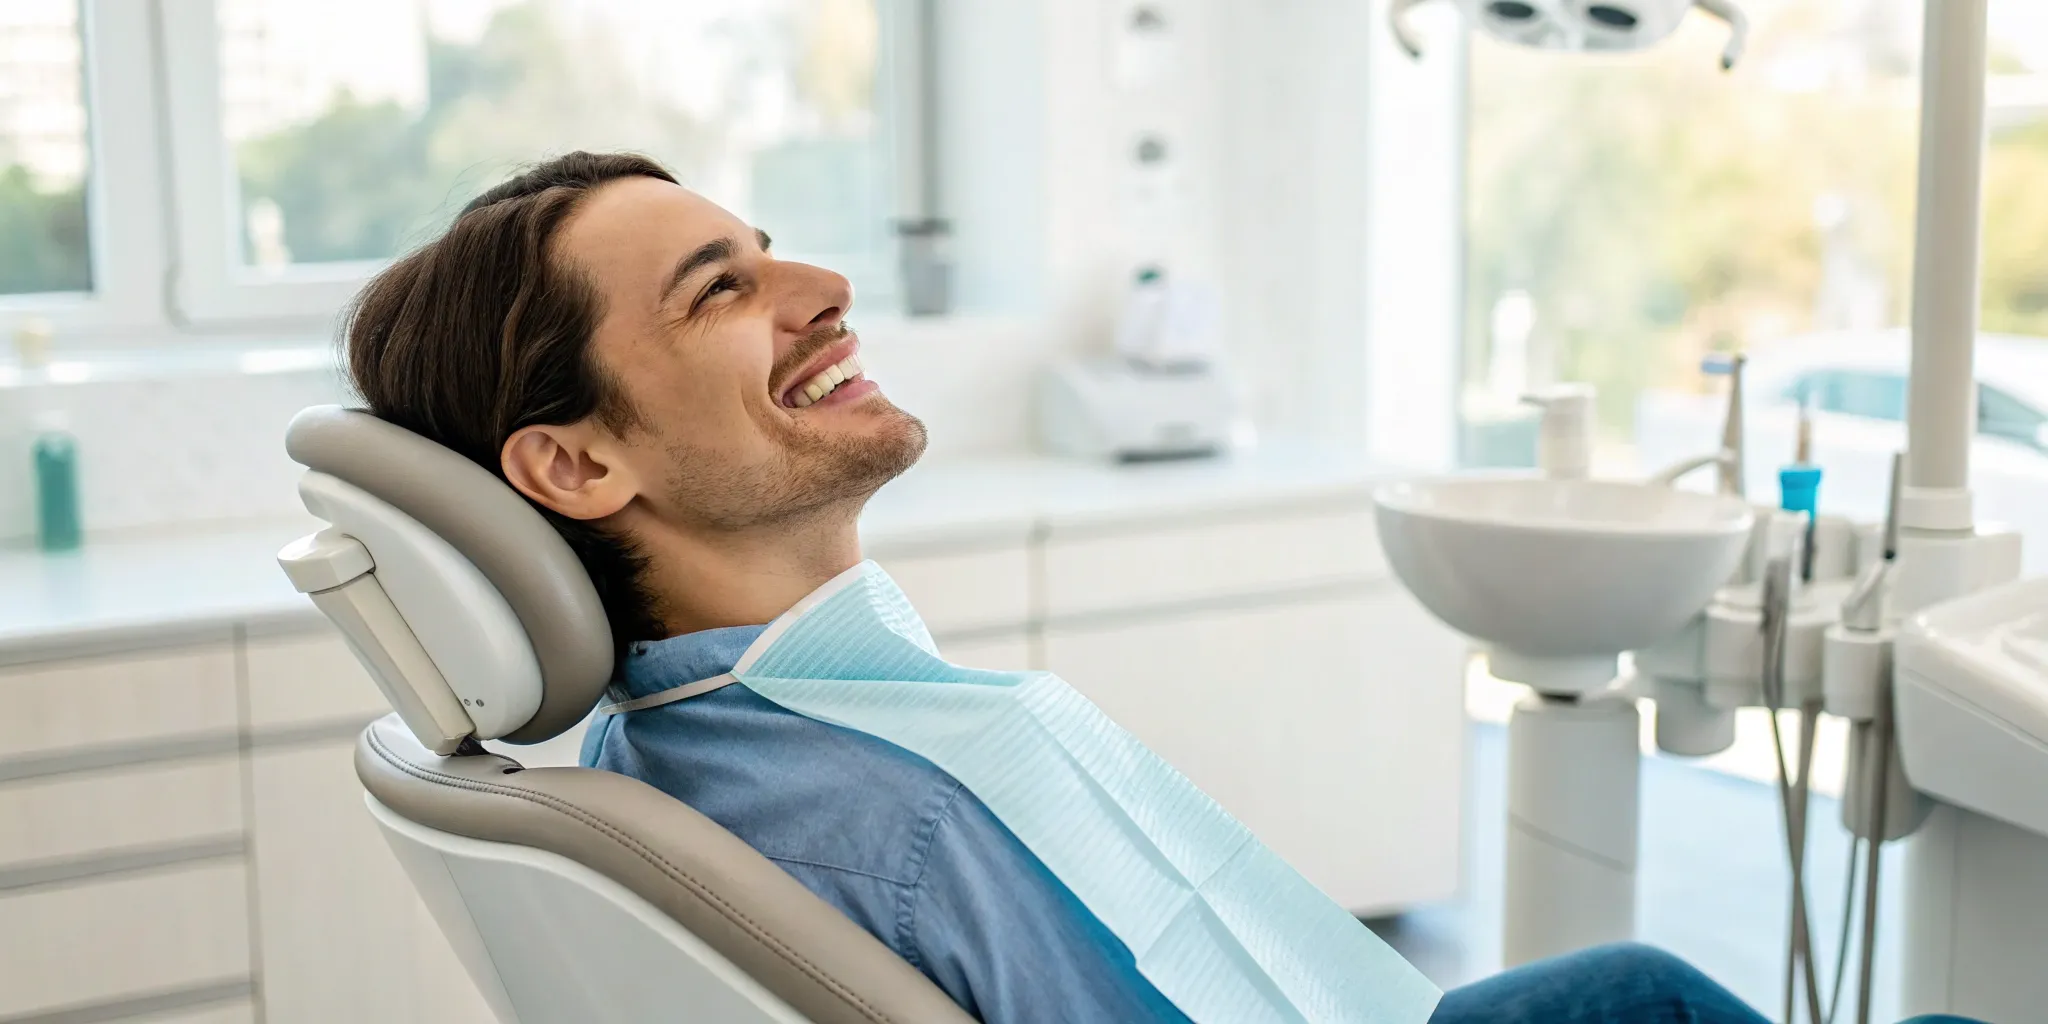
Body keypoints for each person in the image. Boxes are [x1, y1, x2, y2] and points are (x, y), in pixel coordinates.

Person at [341, 151, 1975, 1024]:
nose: (826, 290)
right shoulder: (889, 819)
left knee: (1633, 990)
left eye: (770, 246)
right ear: (568, 467)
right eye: (724, 289)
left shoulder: (709, 742)